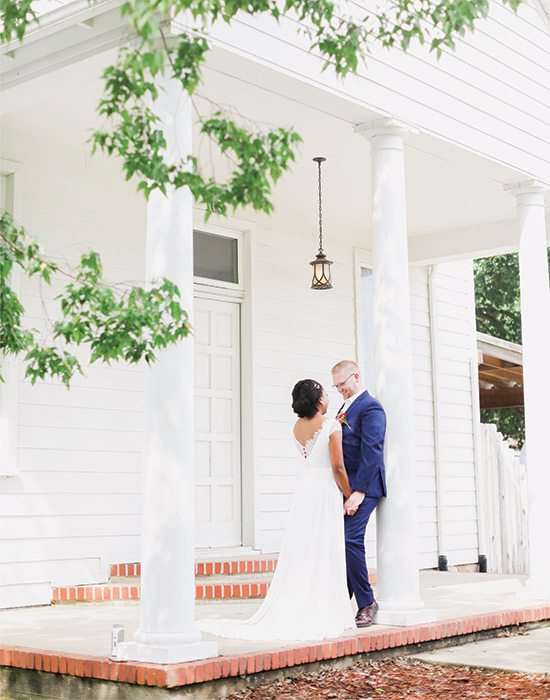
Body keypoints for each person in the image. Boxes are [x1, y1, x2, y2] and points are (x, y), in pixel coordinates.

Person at [197, 379, 355, 641]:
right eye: (326, 394)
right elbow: (338, 467)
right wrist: (350, 495)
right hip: (325, 489)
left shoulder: (297, 427)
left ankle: (304, 601)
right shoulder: (331, 425)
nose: (329, 398)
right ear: (319, 401)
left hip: (306, 489)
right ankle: (323, 607)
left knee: (304, 549)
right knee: (324, 547)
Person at [331, 360, 387, 628]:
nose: (339, 390)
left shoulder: (371, 407)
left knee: (350, 539)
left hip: (365, 486)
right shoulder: (344, 407)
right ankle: (342, 599)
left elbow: (372, 449)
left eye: (342, 384)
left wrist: (359, 491)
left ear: (355, 376)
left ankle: (367, 602)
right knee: (339, 541)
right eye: (336, 386)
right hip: (345, 486)